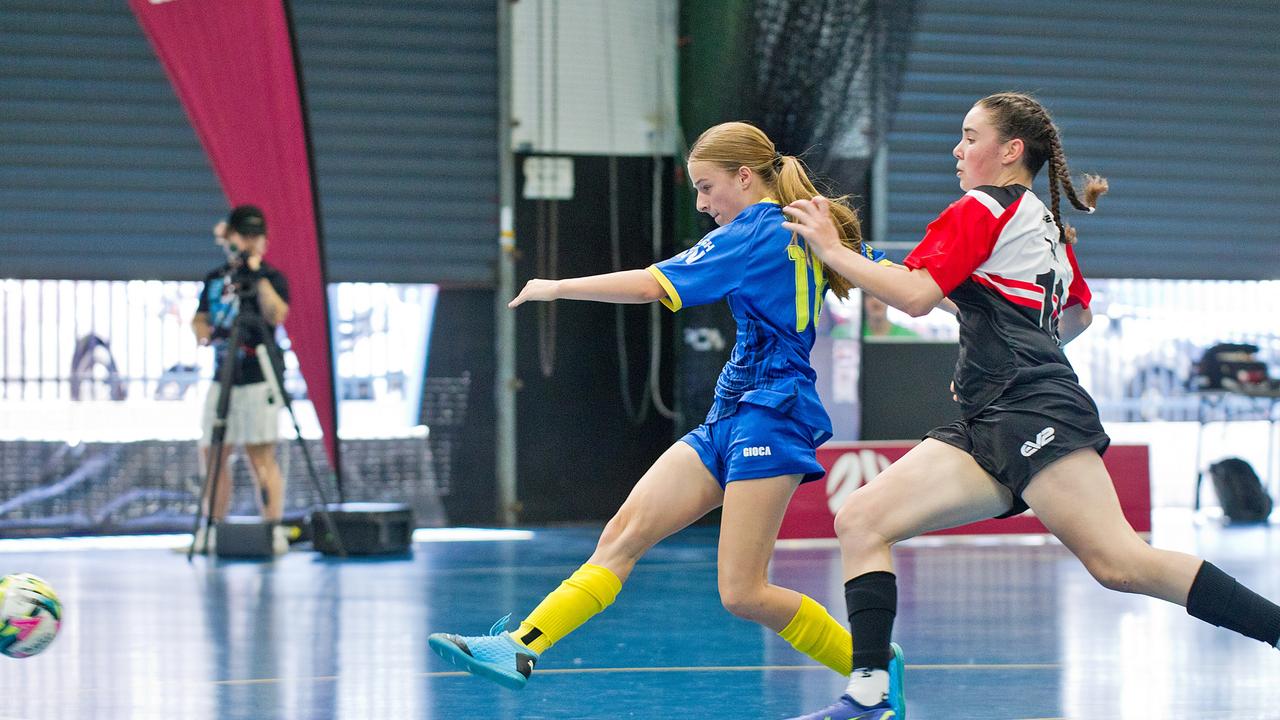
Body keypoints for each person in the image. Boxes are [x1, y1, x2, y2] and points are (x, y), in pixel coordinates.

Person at [778, 92, 1280, 720]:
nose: (957, 150)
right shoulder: (1042, 221)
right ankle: (870, 697)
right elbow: (1074, 317)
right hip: (994, 415)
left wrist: (832, 249)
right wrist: (991, 339)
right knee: (861, 520)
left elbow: (912, 297)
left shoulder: (982, 206)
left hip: (1032, 411)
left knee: (1119, 563)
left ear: (1010, 150)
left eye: (969, 136)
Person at [428, 122, 904, 708]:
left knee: (742, 591)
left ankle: (873, 665)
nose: (702, 204)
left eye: (707, 188)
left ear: (745, 178)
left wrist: (555, 287)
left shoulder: (756, 227)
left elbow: (653, 285)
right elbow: (891, 277)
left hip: (771, 415)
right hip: (730, 412)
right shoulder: (807, 222)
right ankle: (521, 649)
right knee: (623, 535)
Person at [192, 204, 291, 554]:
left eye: (256, 236)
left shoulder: (272, 278)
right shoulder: (216, 278)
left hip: (257, 376)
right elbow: (200, 320)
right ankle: (212, 528)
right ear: (230, 237)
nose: (250, 242)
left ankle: (272, 528)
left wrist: (257, 278)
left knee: (260, 455)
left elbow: (277, 315)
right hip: (223, 377)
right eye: (243, 235)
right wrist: (207, 334)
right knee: (214, 452)